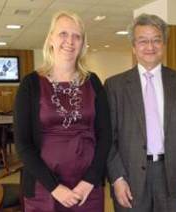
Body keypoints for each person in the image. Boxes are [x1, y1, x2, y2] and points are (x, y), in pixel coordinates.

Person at [14, 10, 111, 212]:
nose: (70, 41)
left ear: (83, 44)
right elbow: (23, 144)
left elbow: (106, 136)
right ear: (50, 39)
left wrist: (89, 181)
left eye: (77, 36)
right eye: (63, 34)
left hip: (87, 187)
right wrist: (55, 188)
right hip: (44, 187)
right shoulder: (30, 83)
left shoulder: (93, 82)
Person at [105, 13, 176, 212]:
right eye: (143, 41)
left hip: (173, 176)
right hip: (129, 178)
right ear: (133, 46)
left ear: (164, 44)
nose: (150, 47)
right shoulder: (115, 86)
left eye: (156, 40)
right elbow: (107, 139)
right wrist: (117, 178)